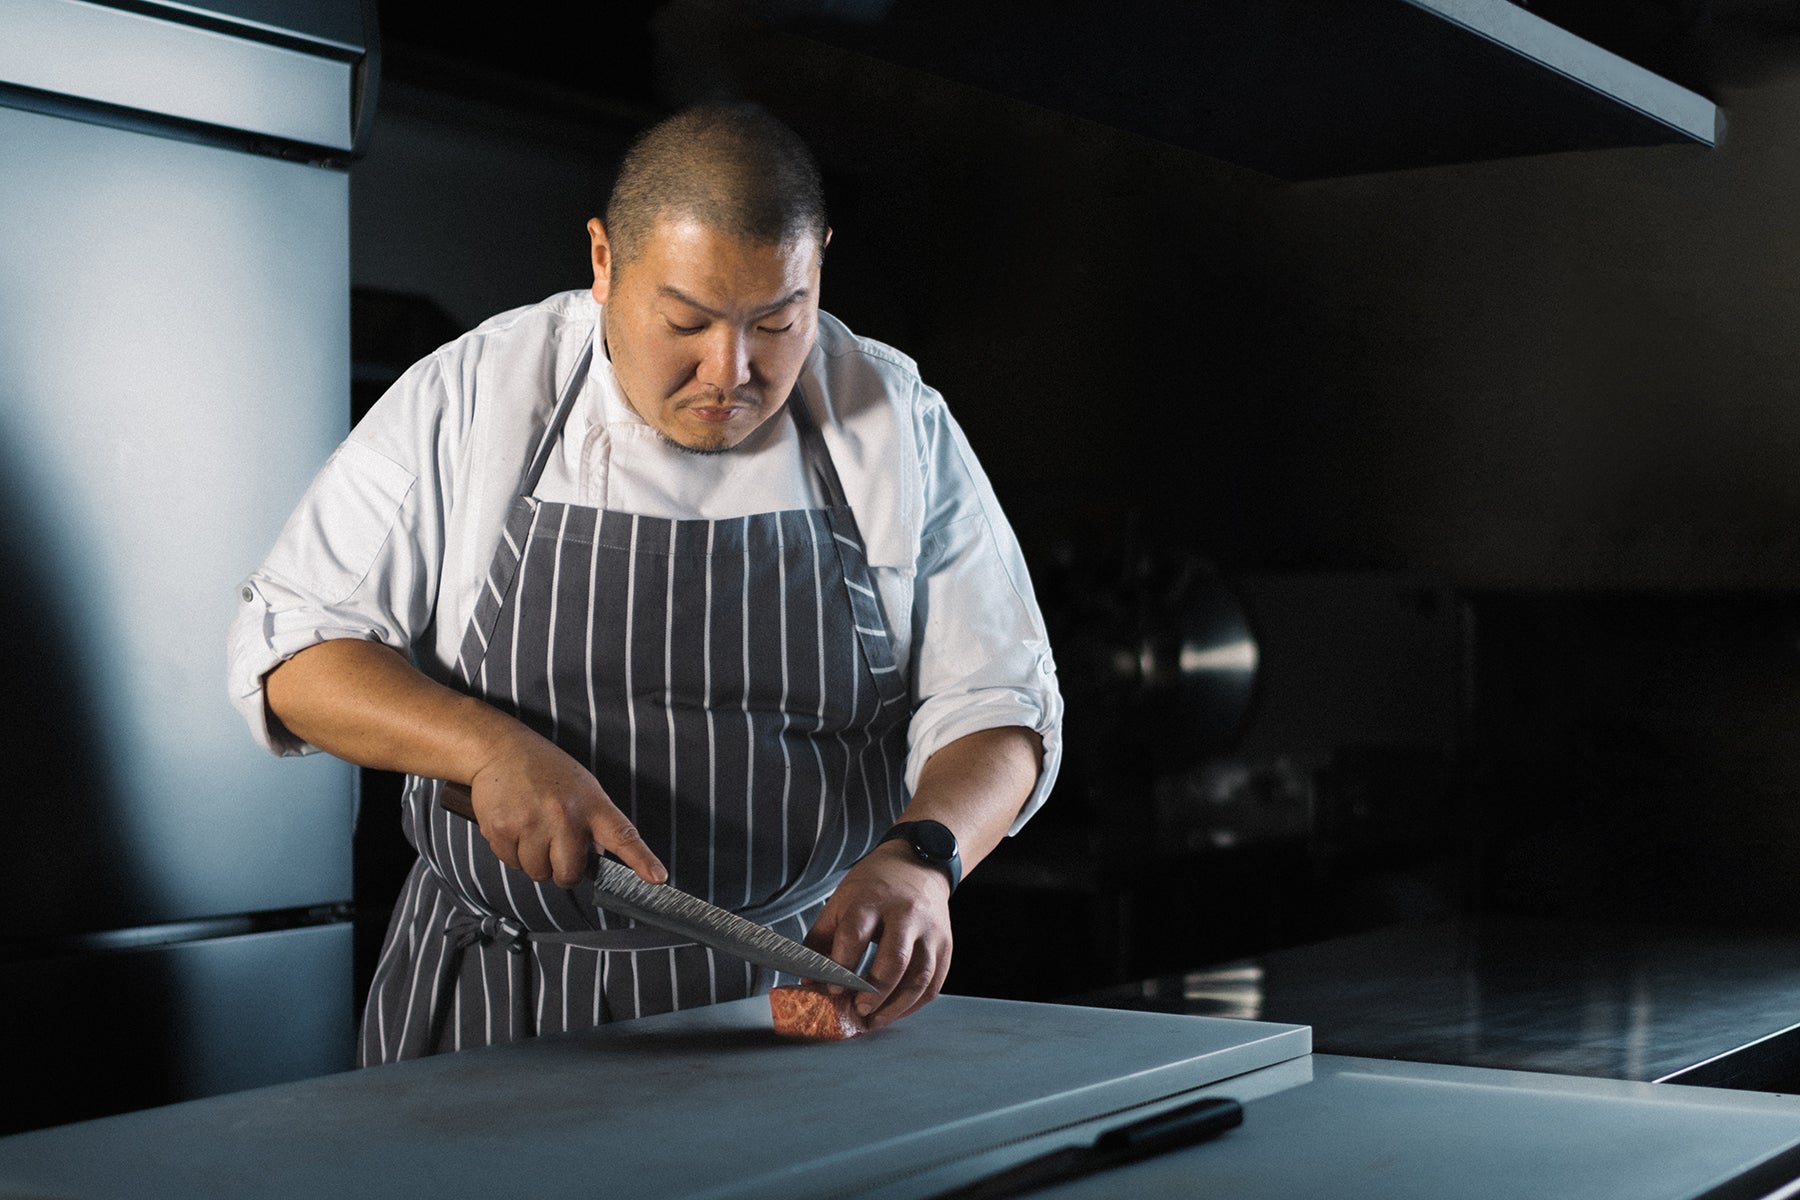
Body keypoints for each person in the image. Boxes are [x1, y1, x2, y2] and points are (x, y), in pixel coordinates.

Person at [227, 103, 1062, 1063]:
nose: (730, 371)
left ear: (819, 263)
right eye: (686, 322)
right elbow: (294, 653)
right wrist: (485, 748)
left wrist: (925, 856)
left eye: (778, 322)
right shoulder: (477, 392)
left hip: (790, 1009)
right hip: (505, 1003)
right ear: (603, 261)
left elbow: (999, 701)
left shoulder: (892, 418)